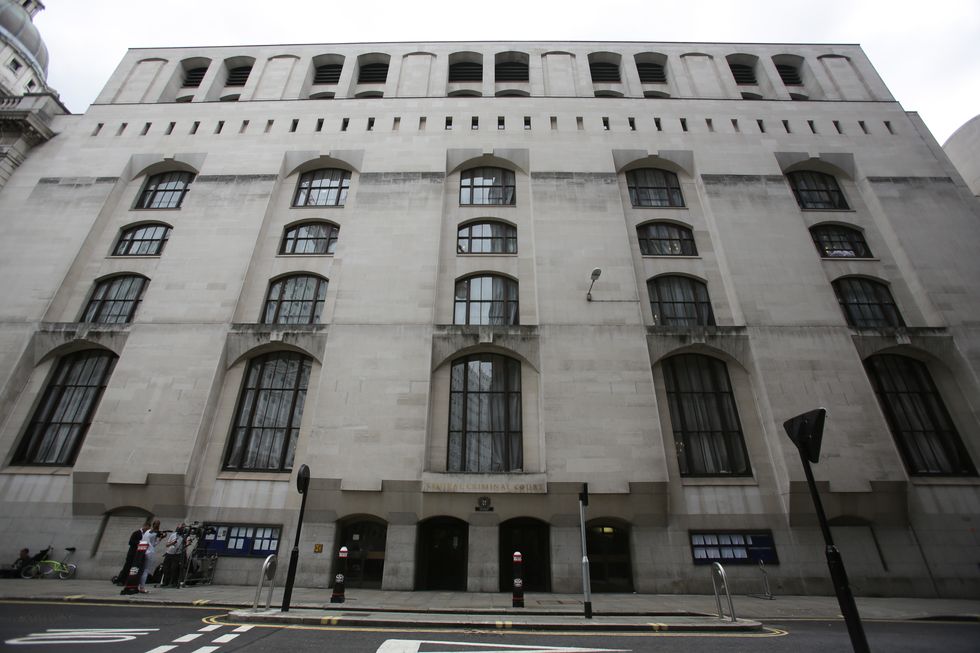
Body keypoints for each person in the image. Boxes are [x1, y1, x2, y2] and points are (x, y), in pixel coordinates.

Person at [115, 520, 151, 585]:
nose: (147, 530)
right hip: (132, 553)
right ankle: (121, 581)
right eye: (147, 528)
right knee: (127, 567)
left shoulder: (146, 535)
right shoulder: (136, 533)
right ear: (144, 526)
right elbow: (131, 542)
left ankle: (130, 581)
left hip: (139, 554)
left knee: (134, 568)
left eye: (148, 529)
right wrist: (140, 543)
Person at [138, 519, 164, 593]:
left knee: (141, 569)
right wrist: (160, 538)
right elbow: (154, 544)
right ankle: (142, 587)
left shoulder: (147, 532)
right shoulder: (154, 533)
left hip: (142, 550)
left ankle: (137, 586)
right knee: (146, 570)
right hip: (149, 552)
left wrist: (160, 538)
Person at [160, 523, 186, 588]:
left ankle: (174, 582)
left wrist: (186, 545)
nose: (180, 529)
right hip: (169, 553)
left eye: (182, 528)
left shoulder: (184, 536)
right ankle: (165, 582)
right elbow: (167, 545)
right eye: (179, 528)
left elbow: (185, 545)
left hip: (177, 554)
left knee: (174, 568)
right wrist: (172, 543)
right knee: (166, 568)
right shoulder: (173, 535)